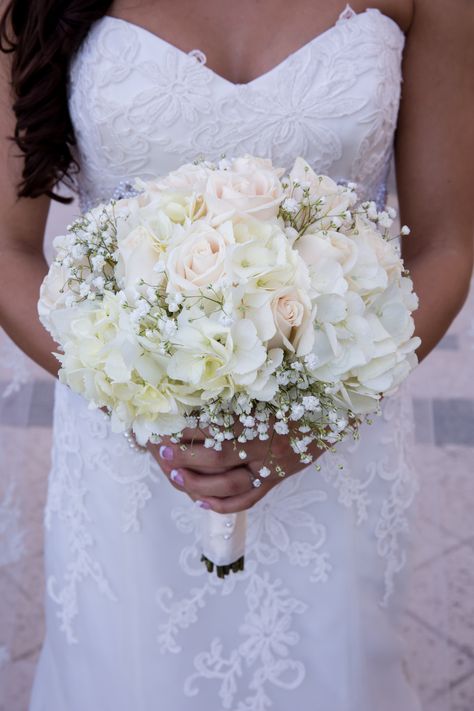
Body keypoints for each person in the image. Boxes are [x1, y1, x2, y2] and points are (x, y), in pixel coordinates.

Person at [0, 1, 472, 709]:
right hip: (129, 454)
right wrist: (137, 398)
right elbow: (6, 250)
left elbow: (445, 244)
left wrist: (319, 420)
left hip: (334, 449)